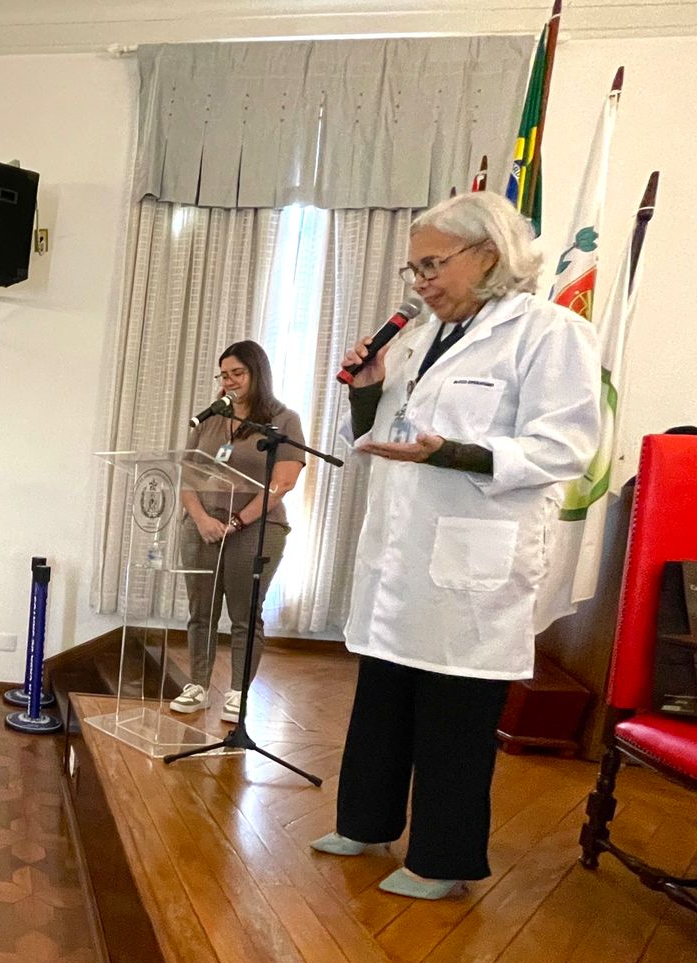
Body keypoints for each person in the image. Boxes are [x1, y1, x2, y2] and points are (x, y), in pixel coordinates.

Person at [310, 192, 600, 900]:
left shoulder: (550, 333)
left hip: (473, 556)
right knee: (383, 692)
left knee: (454, 714)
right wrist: (366, 390)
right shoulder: (417, 338)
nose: (420, 283)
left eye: (432, 265)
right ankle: (365, 823)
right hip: (401, 549)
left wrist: (453, 454)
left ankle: (441, 861)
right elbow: (380, 435)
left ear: (489, 255)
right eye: (414, 269)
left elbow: (565, 447)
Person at [170, 341, 307, 723]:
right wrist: (201, 519)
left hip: (256, 528)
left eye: (237, 374)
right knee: (201, 612)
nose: (229, 381)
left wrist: (235, 523)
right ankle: (197, 685)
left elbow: (282, 483)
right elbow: (187, 476)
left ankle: (238, 692)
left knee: (245, 615)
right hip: (202, 526)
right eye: (224, 375)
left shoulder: (284, 420)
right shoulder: (211, 419)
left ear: (257, 374)